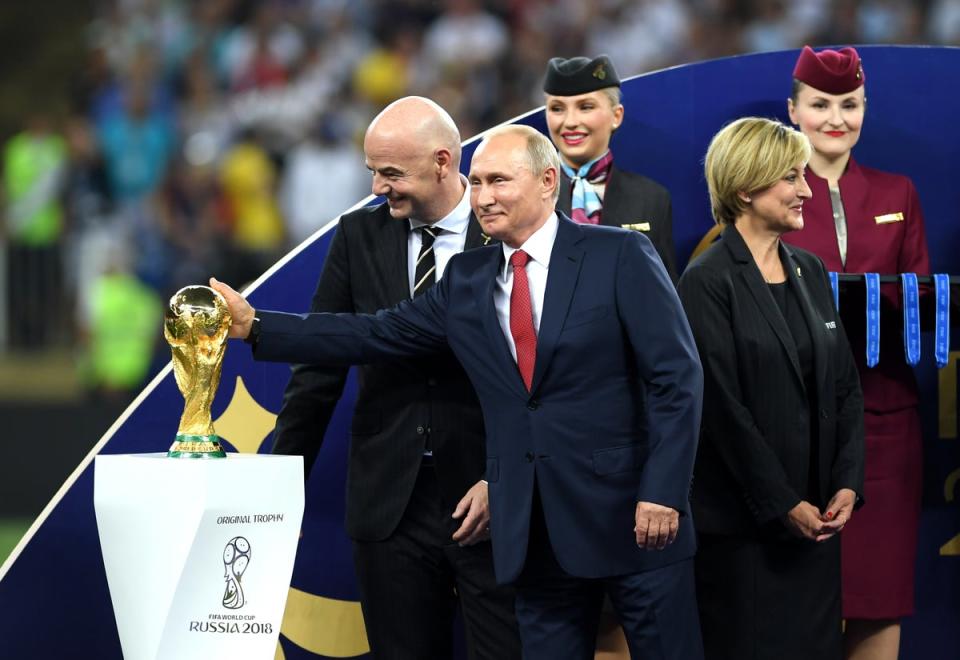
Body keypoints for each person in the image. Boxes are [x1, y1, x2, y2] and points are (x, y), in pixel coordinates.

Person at [212, 124, 705, 660]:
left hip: (632, 519)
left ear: (547, 181)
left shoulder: (620, 253)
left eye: (499, 181)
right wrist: (259, 326)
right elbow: (375, 331)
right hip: (533, 534)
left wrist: (662, 489)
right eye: (476, 182)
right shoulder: (467, 277)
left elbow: (676, 378)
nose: (484, 197)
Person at [270, 97, 520, 660]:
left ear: (441, 161)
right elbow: (318, 371)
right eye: (372, 172)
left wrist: (507, 476)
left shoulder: (506, 229)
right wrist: (281, 487)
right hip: (390, 503)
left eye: (391, 173)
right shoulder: (357, 234)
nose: (378, 188)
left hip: (490, 495)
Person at [677, 117, 865, 660]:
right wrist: (783, 503)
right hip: (745, 537)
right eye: (791, 177)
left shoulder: (809, 269)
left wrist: (847, 483)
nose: (807, 189)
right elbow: (722, 410)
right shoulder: (706, 279)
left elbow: (845, 388)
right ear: (745, 187)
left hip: (817, 530)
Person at [782, 46, 929, 660]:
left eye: (849, 105)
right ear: (793, 111)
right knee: (798, 607)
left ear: (865, 109)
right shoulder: (772, 192)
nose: (835, 118)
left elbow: (921, 300)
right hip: (795, 427)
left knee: (879, 598)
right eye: (820, 105)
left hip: (884, 425)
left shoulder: (899, 191)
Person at [543, 54, 677, 280]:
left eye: (585, 107)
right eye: (557, 109)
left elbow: (664, 294)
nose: (570, 121)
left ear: (616, 116)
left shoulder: (651, 198)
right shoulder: (527, 195)